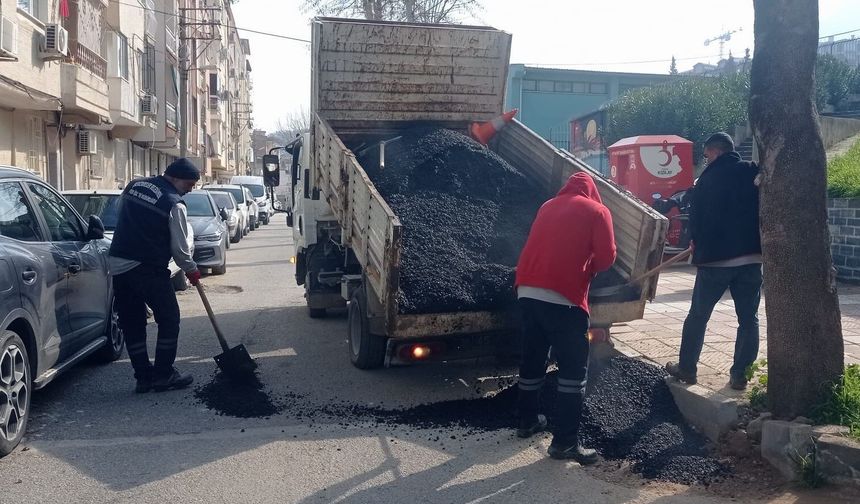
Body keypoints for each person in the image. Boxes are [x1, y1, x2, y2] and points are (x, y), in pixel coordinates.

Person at [514, 172, 617, 464]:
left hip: (527, 290)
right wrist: (588, 267)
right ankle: (565, 443)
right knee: (573, 373)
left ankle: (527, 421)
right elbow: (607, 258)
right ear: (592, 192)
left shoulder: (548, 206)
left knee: (532, 360)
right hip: (564, 298)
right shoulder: (598, 210)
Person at [665, 132, 762, 391]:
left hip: (715, 261)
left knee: (698, 316)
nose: (706, 160)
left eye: (707, 155)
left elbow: (696, 216)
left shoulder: (706, 180)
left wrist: (694, 240)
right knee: (748, 318)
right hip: (751, 258)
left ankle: (687, 369)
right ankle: (740, 375)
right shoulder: (752, 170)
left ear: (716, 152)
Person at [109, 158, 203, 393]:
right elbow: (180, 250)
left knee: (132, 323)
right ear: (176, 178)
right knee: (169, 319)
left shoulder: (133, 186)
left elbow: (124, 218)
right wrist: (192, 270)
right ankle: (163, 375)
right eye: (189, 184)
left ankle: (143, 377)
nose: (190, 189)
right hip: (148, 267)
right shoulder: (173, 203)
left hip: (119, 264)